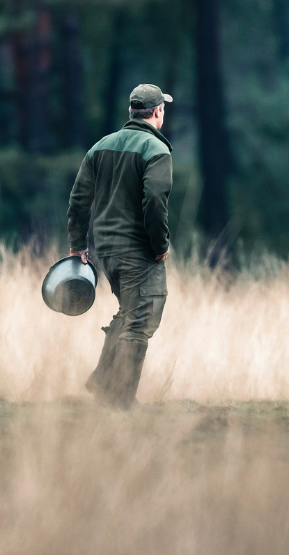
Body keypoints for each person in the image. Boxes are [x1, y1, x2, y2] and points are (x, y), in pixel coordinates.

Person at [66, 84, 173, 409]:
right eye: (162, 109)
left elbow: (79, 200)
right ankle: (120, 398)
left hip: (106, 251)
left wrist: (77, 245)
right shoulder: (157, 150)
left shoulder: (100, 147)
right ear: (157, 112)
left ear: (131, 112)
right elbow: (154, 199)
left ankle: (103, 382)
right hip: (139, 250)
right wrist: (159, 245)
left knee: (128, 312)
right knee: (141, 317)